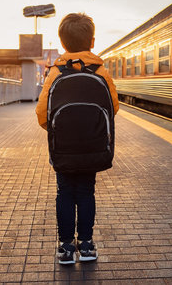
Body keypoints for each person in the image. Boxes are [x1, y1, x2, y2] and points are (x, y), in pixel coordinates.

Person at [36, 13, 119, 264]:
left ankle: (65, 248)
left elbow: (42, 115)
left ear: (63, 43)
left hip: (63, 149)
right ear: (92, 41)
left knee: (64, 192)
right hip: (92, 147)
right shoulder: (101, 71)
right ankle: (87, 245)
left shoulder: (55, 73)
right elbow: (113, 108)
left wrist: (62, 131)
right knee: (86, 192)